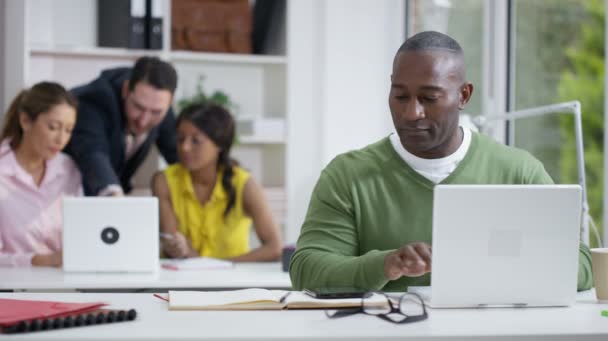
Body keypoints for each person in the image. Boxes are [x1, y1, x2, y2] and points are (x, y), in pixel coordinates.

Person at [289, 31, 593, 292]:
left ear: (463, 95)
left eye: (429, 98)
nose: (412, 113)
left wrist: (505, 266)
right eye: (400, 96)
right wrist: (386, 265)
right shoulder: (347, 175)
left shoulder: (519, 171)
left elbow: (580, 267)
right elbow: (306, 271)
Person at [152, 103, 283, 261]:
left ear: (220, 144)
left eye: (196, 141)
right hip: (180, 280)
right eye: (180, 138)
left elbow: (275, 248)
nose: (184, 147)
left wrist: (218, 266)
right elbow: (172, 243)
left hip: (233, 282)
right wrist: (177, 247)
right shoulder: (164, 181)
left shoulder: (244, 184)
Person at [64, 56, 178, 196]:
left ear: (169, 102)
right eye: (138, 107)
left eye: (156, 112)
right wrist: (115, 198)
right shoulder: (95, 99)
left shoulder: (159, 105)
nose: (143, 120)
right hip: (67, 198)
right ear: (125, 90)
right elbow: (93, 153)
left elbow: (177, 153)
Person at [0, 82, 82, 267]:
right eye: (53, 127)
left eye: (69, 130)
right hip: (12, 288)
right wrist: (42, 260)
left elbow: (79, 235)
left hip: (66, 285)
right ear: (25, 121)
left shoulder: (69, 169)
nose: (61, 140)